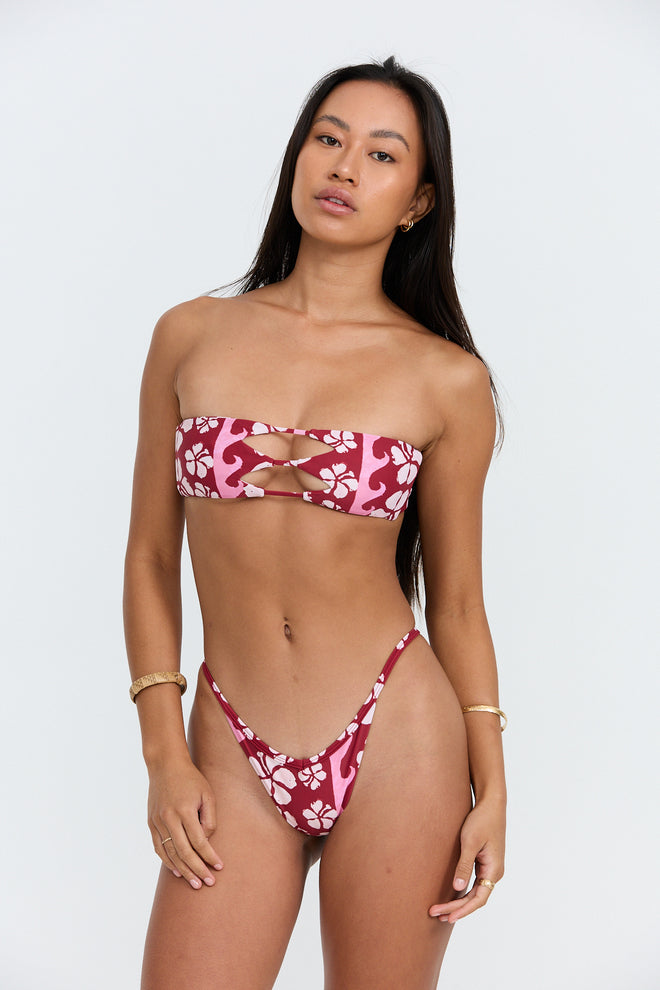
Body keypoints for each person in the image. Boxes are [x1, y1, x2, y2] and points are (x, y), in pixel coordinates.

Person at [123, 55, 507, 990]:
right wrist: (164, 753)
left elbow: (457, 602)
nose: (344, 166)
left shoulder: (447, 380)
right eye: (328, 138)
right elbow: (149, 557)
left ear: (417, 202)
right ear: (298, 156)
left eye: (382, 154)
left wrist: (494, 785)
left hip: (399, 738)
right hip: (230, 738)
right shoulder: (190, 335)